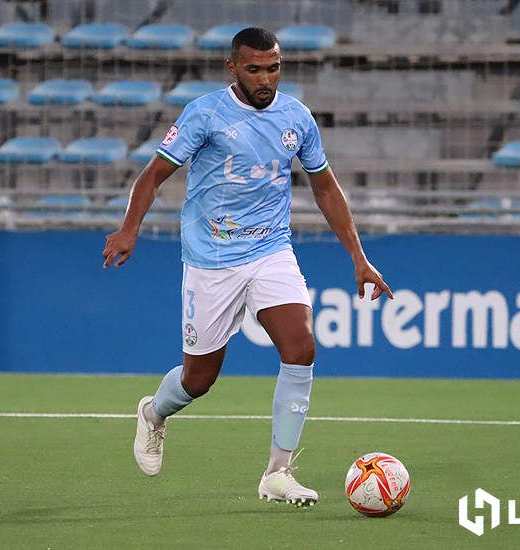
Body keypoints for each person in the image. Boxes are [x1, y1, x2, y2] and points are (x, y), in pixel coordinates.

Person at [102, 27, 392, 507]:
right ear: (232, 68)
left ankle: (278, 471)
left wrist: (359, 258)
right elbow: (153, 175)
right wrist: (130, 228)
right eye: (254, 69)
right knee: (200, 379)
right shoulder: (206, 114)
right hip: (211, 260)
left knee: (300, 347)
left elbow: (325, 187)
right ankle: (155, 412)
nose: (265, 79)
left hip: (271, 250)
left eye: (273, 68)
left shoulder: (296, 116)